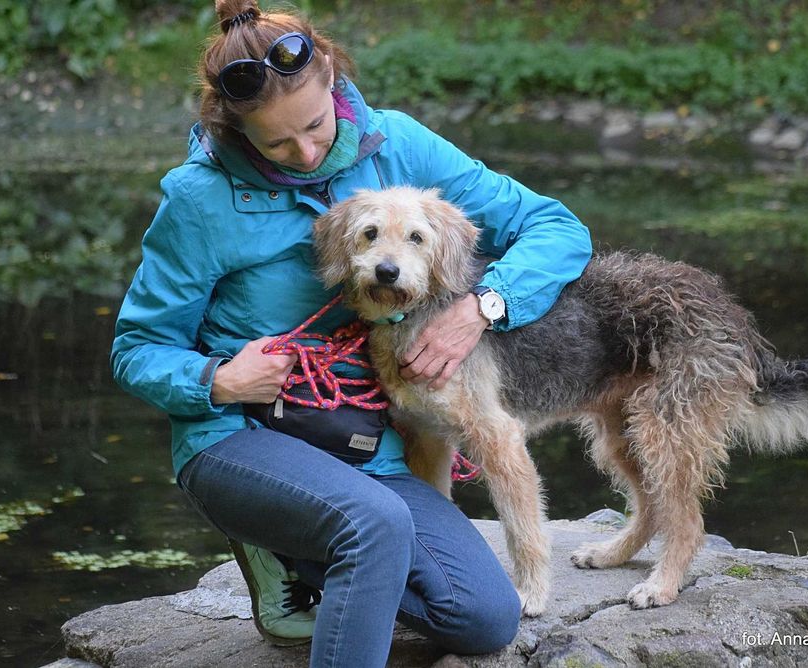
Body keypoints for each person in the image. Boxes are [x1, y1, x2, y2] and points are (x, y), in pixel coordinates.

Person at [110, 1, 592, 666]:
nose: (306, 152)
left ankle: (299, 553)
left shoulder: (397, 145)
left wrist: (481, 305)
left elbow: (558, 229)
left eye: (314, 125)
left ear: (331, 76)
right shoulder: (199, 200)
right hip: (242, 435)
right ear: (235, 127)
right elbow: (135, 349)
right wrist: (214, 379)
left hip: (364, 443)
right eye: (277, 143)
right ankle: (277, 531)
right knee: (374, 523)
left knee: (485, 618)